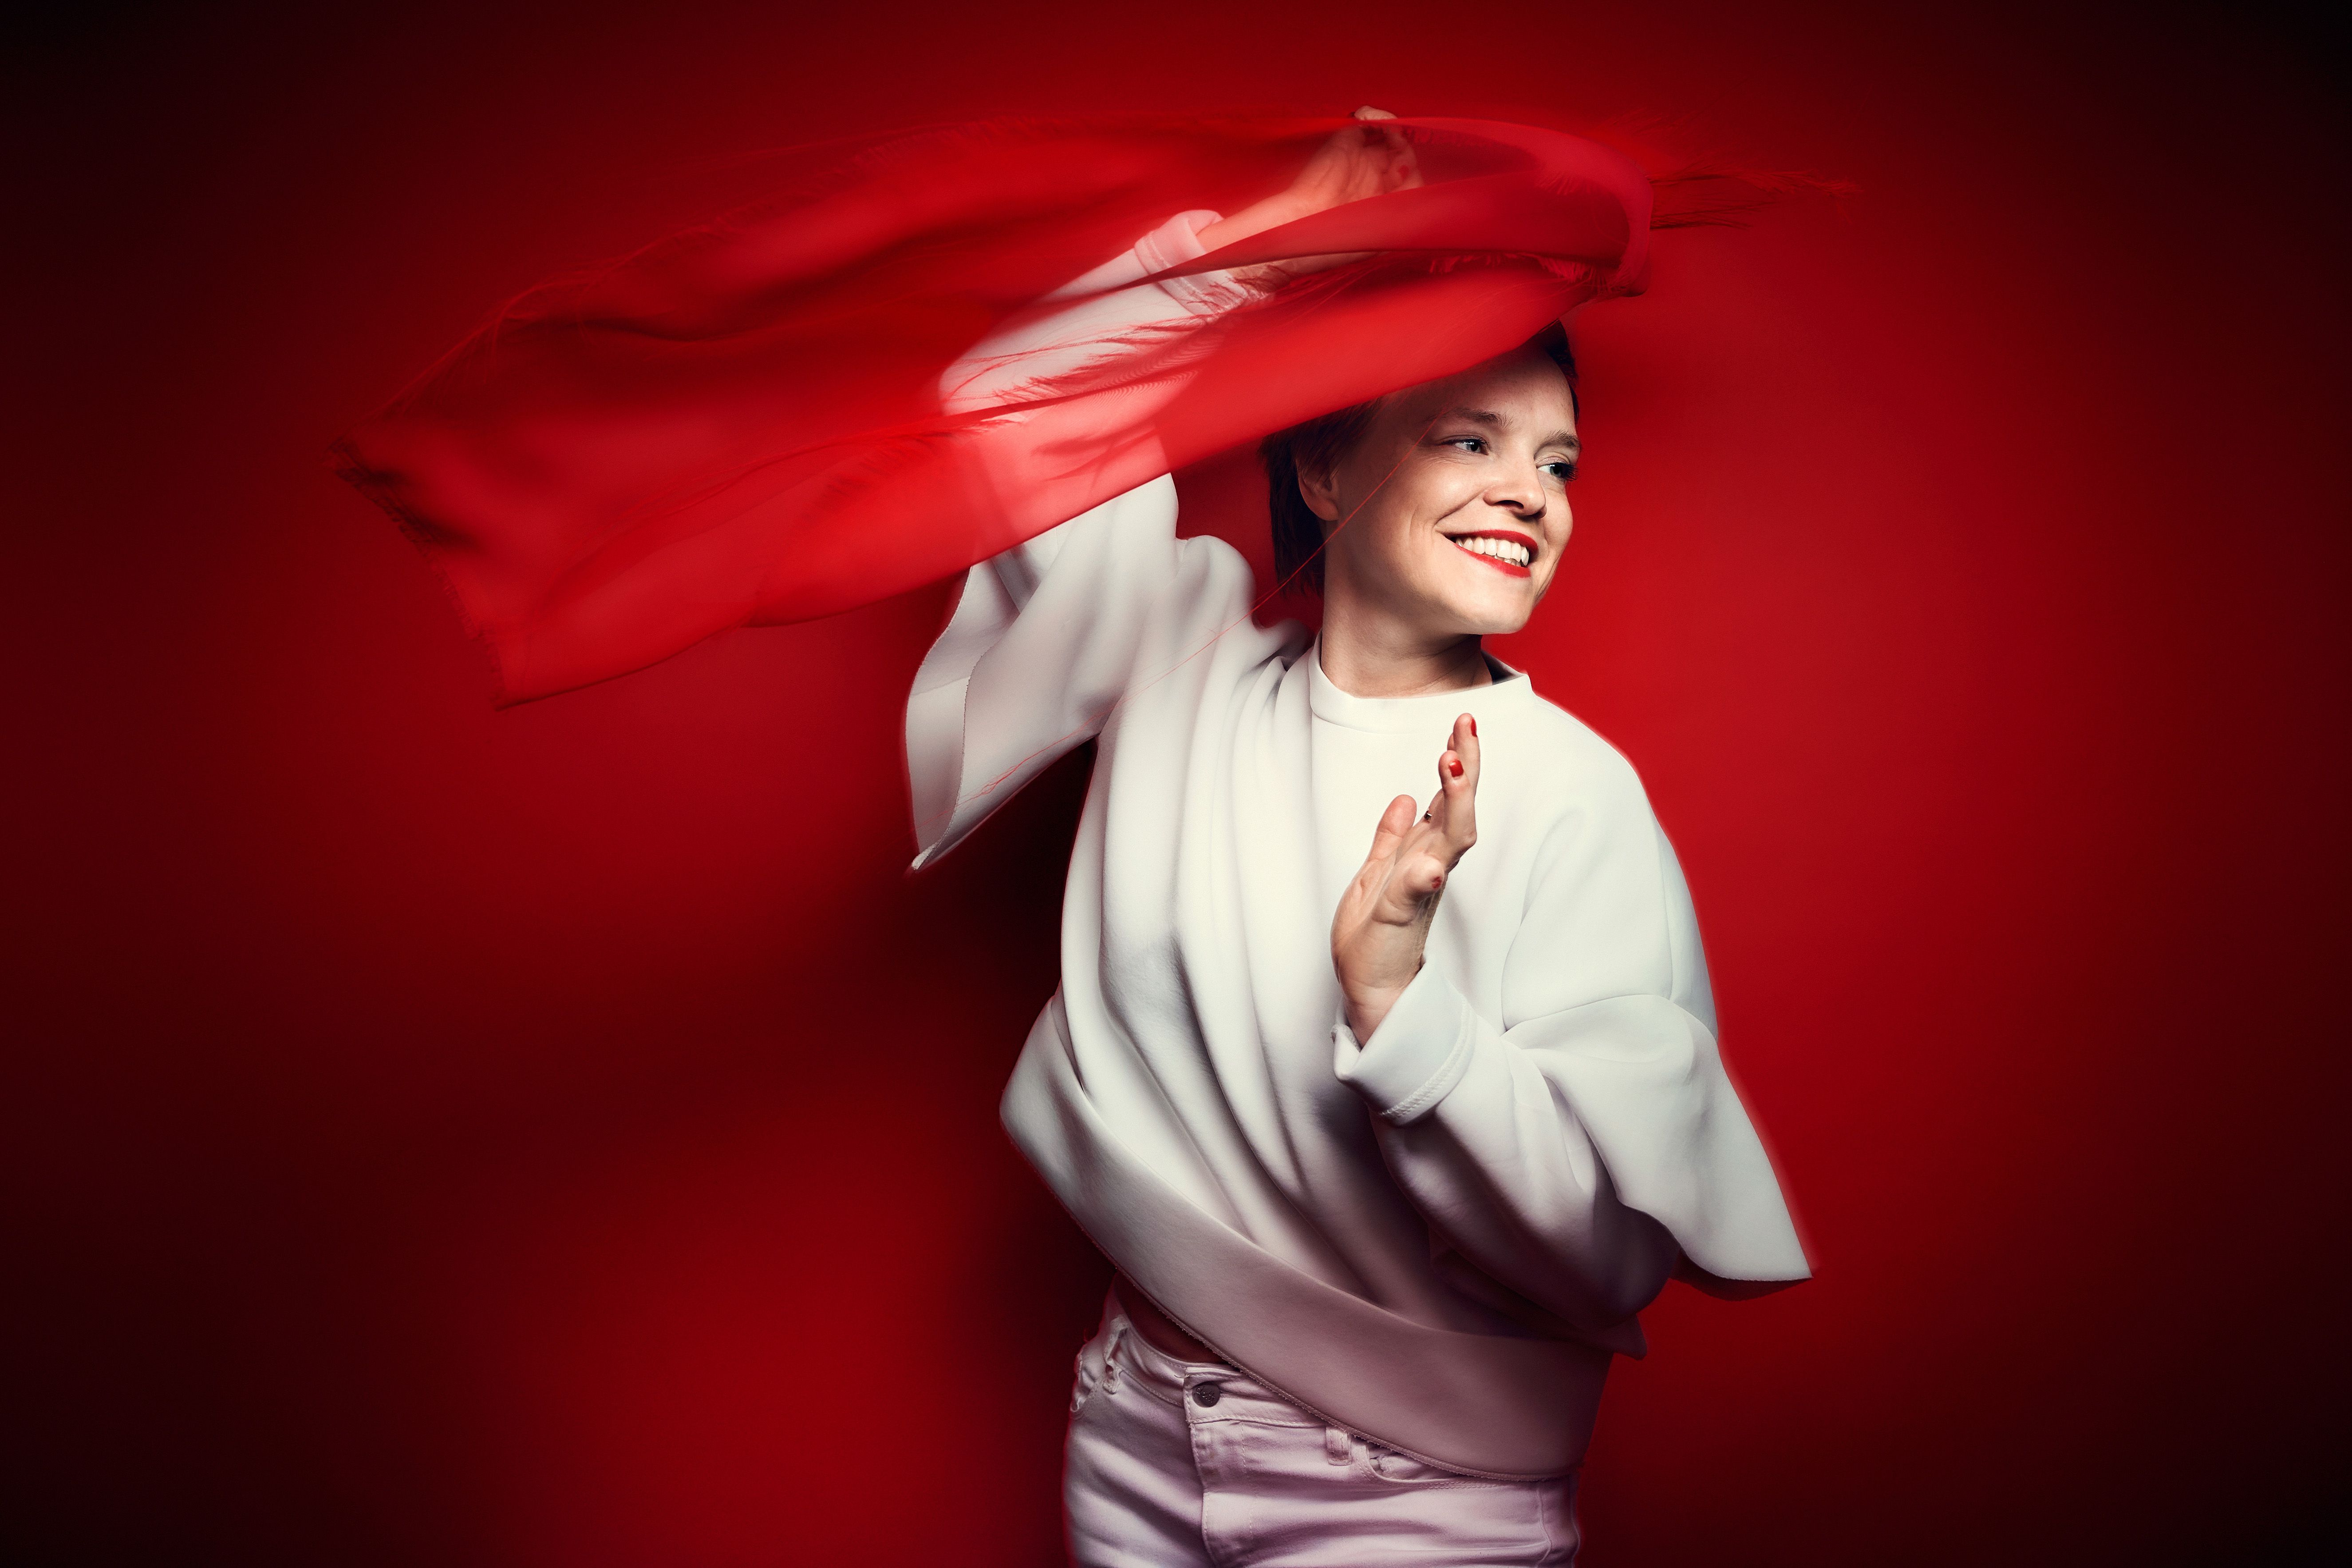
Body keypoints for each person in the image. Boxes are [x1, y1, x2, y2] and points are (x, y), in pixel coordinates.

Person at [906, 111, 1808, 1567]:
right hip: (1133, 1432)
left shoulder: (1570, 792)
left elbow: (1606, 1252)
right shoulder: (1173, 666)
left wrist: (1400, 1011)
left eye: (1559, 462)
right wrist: (1261, 259)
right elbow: (1009, 399)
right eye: (1470, 438)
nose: (1530, 493)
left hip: (1412, 1496)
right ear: (1324, 471)